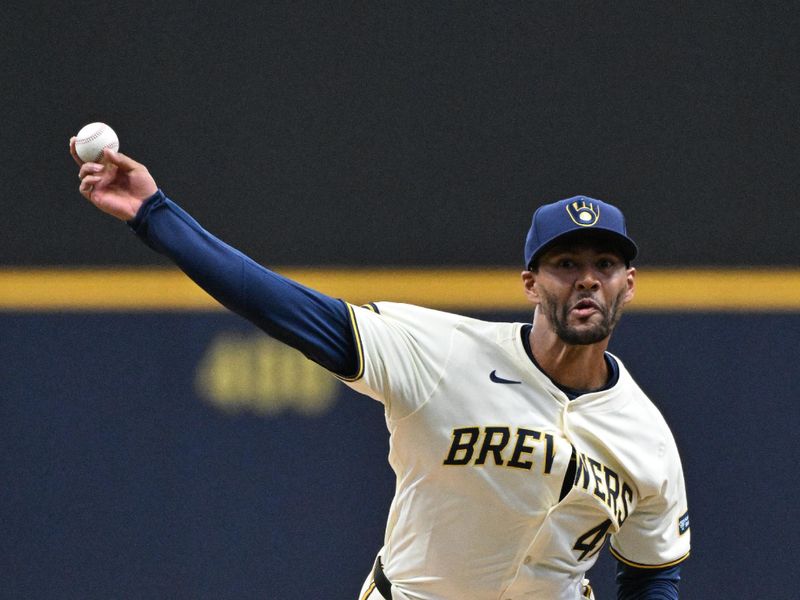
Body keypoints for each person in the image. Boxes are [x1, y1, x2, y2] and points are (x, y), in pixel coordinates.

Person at [70, 141, 690, 600]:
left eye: (605, 263)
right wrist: (156, 214)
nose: (587, 278)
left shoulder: (646, 436)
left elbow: (654, 571)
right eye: (565, 263)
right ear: (530, 282)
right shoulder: (444, 354)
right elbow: (278, 303)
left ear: (627, 284)